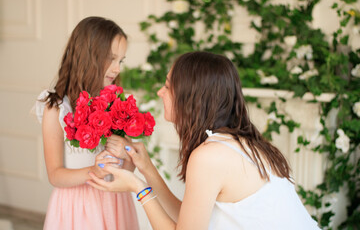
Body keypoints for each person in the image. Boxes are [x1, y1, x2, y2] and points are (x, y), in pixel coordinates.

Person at [87, 51, 321, 230]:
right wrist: (146, 168)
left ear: (191, 98)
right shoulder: (236, 142)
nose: (160, 92)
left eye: (168, 86)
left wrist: (138, 188)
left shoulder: (209, 156)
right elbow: (188, 219)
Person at [34, 16, 139, 230]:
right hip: (78, 207)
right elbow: (55, 175)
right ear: (88, 56)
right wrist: (94, 170)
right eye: (111, 59)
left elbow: (128, 168)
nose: (117, 68)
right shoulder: (56, 107)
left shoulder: (116, 103)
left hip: (116, 201)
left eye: (121, 60)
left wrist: (128, 155)